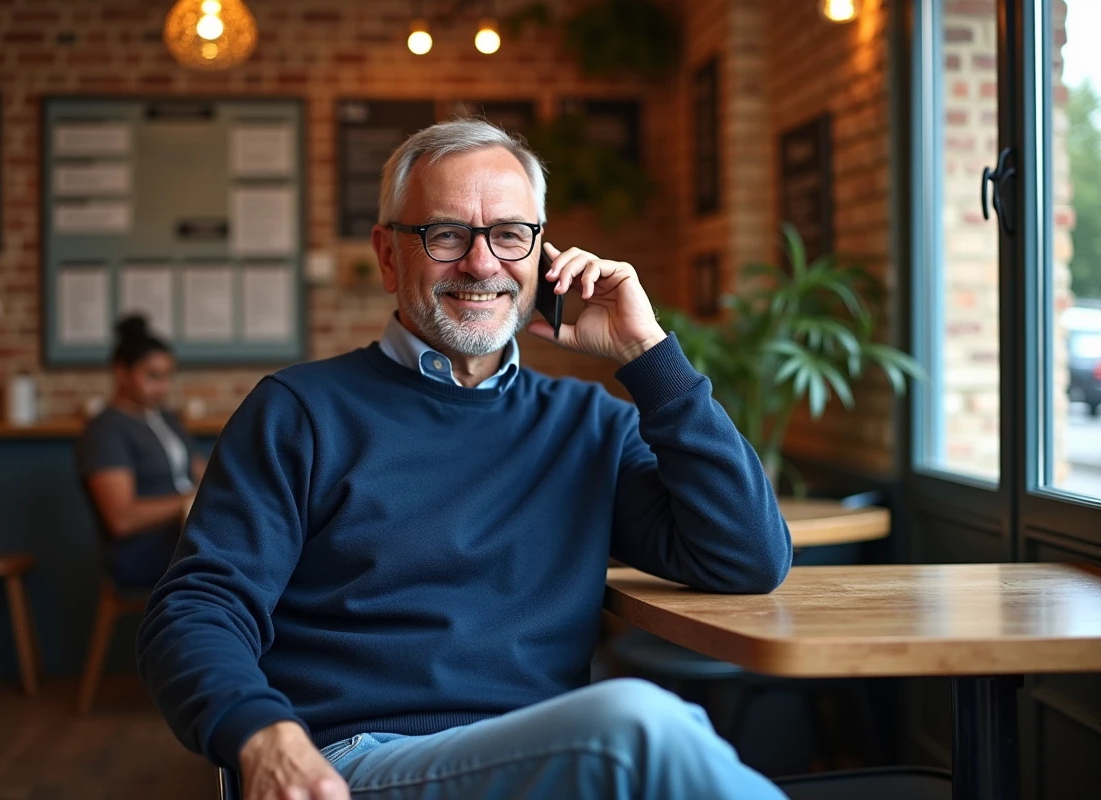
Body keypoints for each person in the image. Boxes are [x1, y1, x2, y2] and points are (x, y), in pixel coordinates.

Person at [137, 119, 792, 800]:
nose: (482, 264)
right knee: (636, 729)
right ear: (389, 255)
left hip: (548, 765)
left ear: (542, 255)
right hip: (350, 768)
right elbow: (197, 607)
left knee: (628, 734)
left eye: (510, 235)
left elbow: (745, 559)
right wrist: (260, 734)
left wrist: (648, 354)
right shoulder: (298, 412)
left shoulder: (589, 426)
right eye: (446, 234)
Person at [77, 315, 205, 589]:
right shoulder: (106, 430)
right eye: (153, 376)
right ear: (121, 373)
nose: (163, 387)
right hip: (141, 551)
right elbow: (121, 519)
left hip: (185, 534)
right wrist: (189, 500)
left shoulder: (166, 419)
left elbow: (202, 472)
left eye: (168, 376)